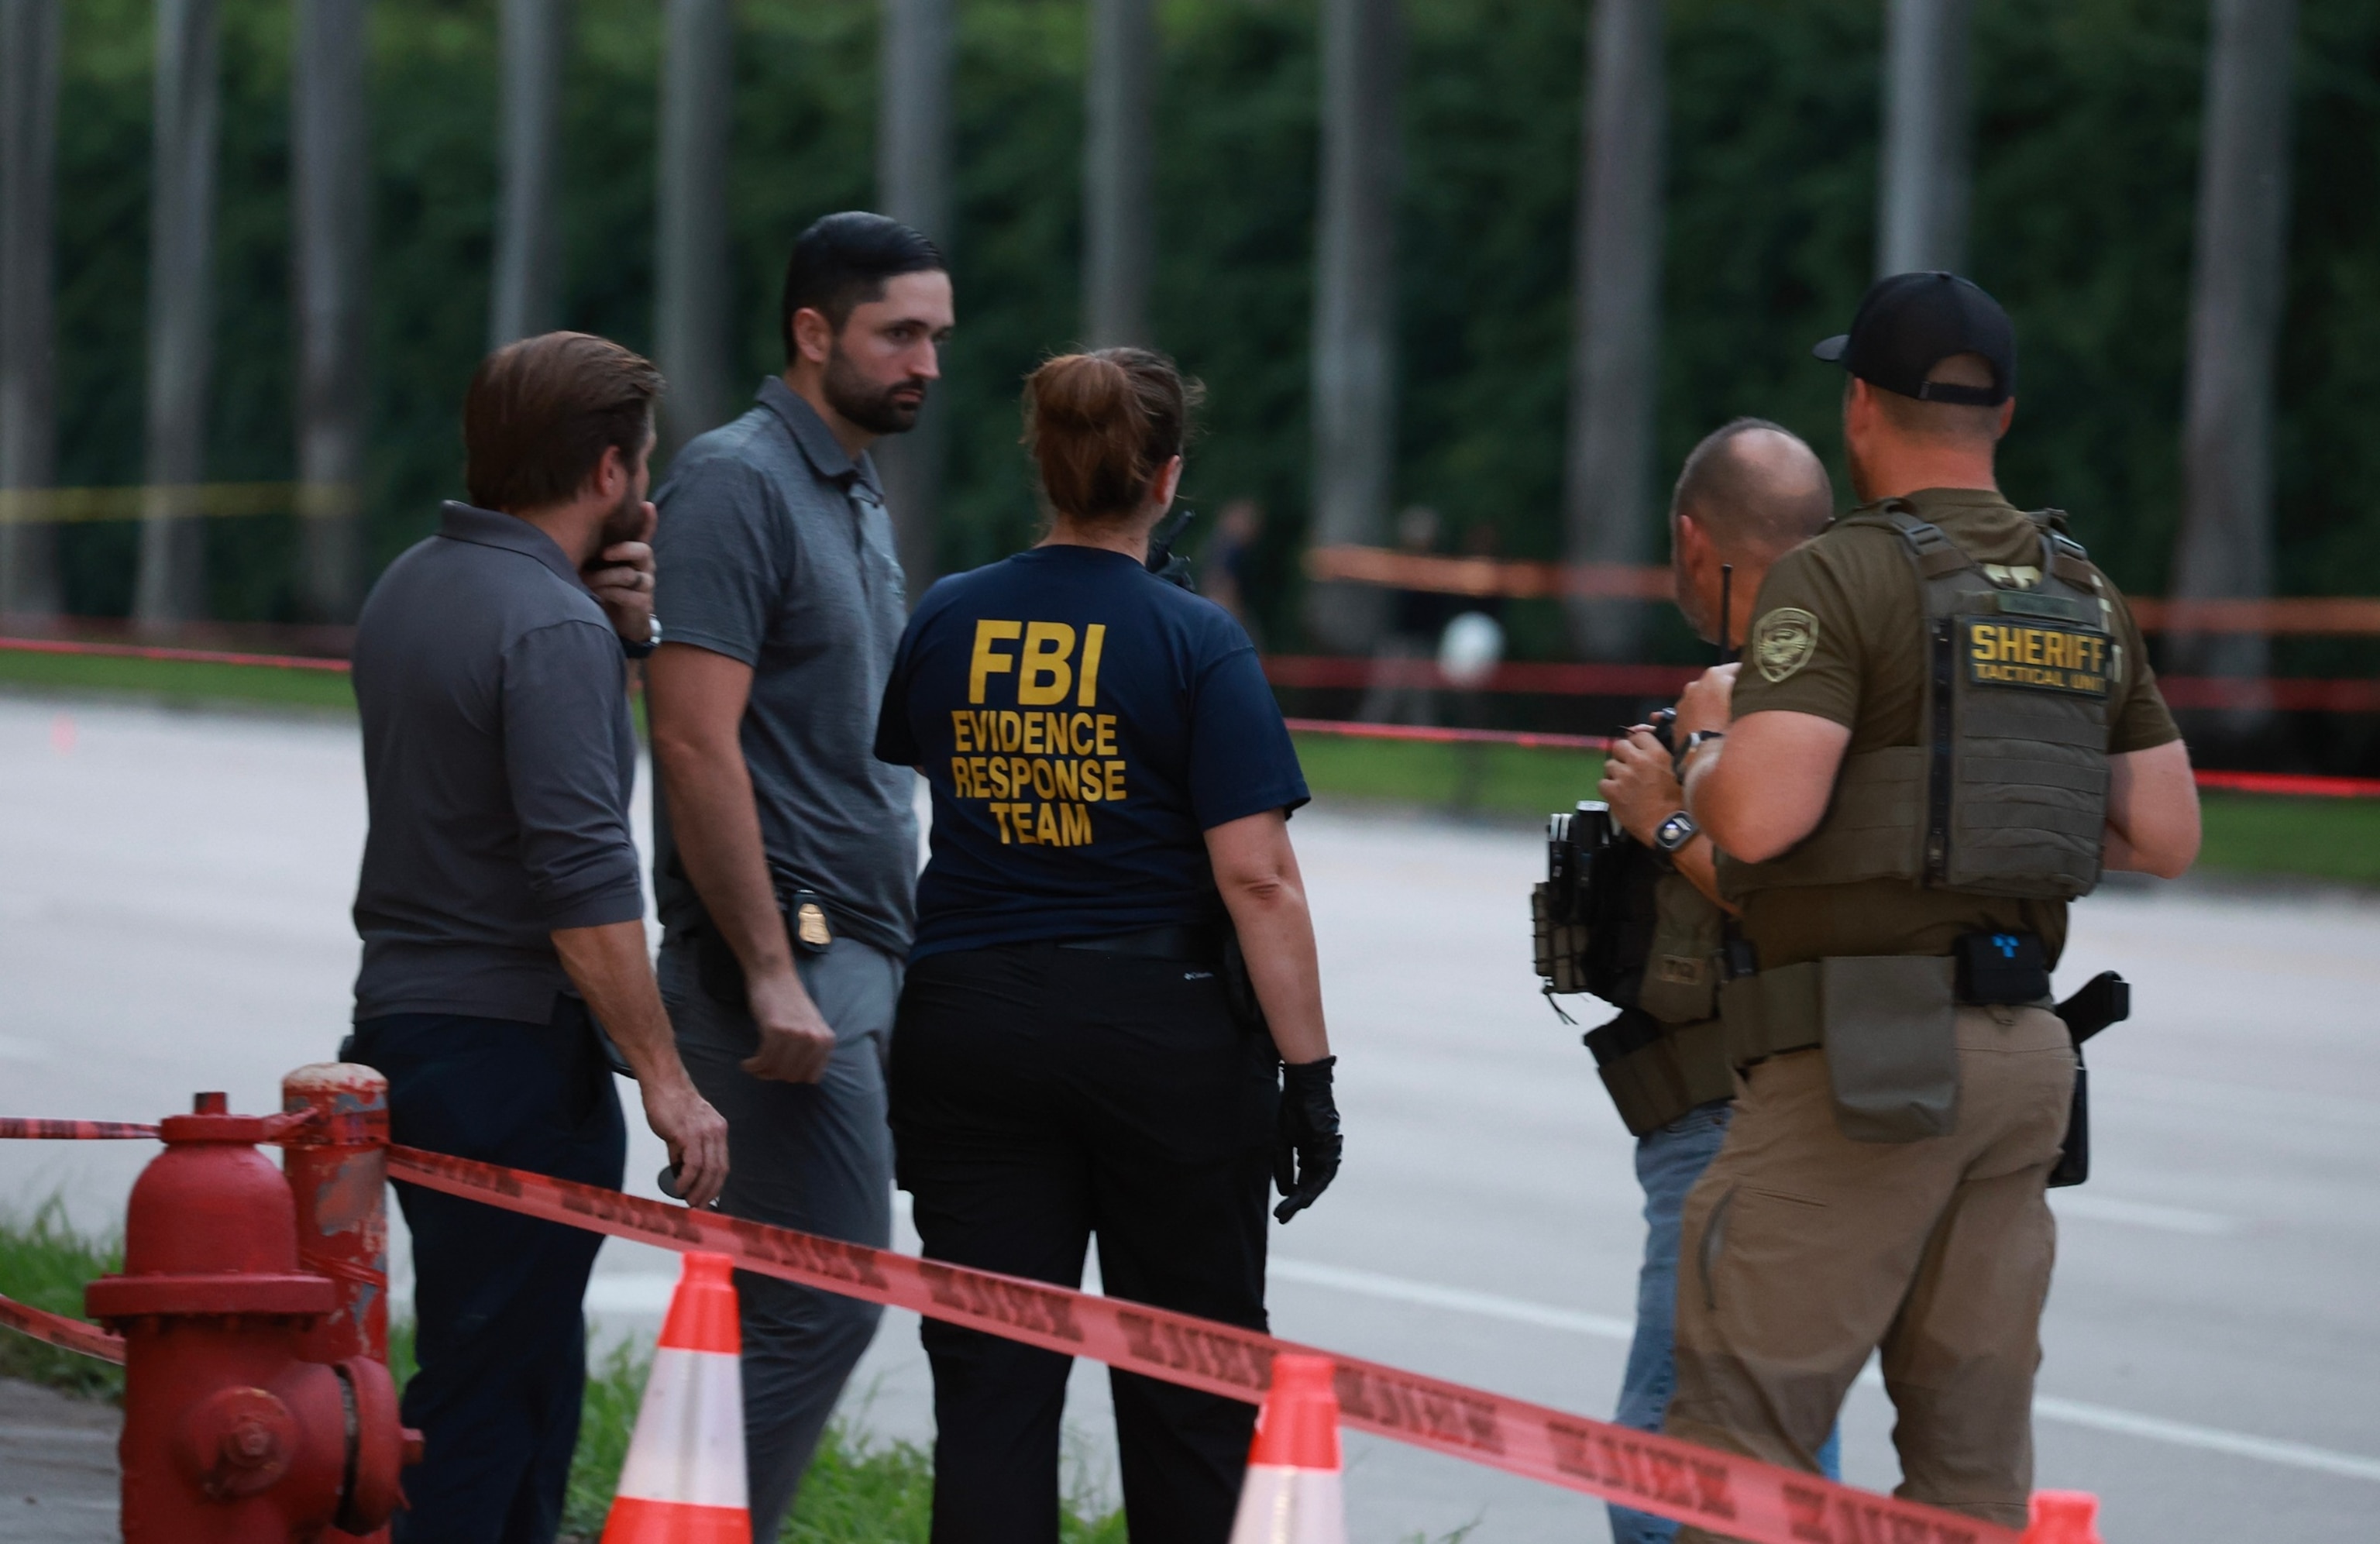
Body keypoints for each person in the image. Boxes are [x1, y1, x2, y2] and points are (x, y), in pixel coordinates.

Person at [1663, 272, 2201, 1535]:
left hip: (1862, 1063)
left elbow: (1761, 819)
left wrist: (1700, 752)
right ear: (2001, 414)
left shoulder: (1835, 579)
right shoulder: (2082, 587)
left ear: (1858, 406)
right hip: (2026, 1058)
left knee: (1740, 1453)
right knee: (1970, 1480)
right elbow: (2165, 833)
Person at [874, 349, 1342, 1544]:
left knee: (993, 1386)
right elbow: (1258, 876)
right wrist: (1309, 1075)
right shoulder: (1198, 641)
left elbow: (927, 776)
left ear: (1044, 463)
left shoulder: (948, 615)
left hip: (969, 1022)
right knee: (1190, 1384)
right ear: (1168, 478)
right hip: (1161, 1033)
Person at [346, 331, 729, 1544]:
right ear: (609, 471)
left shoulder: (413, 582)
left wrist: (607, 635)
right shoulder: (548, 628)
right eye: (645, 463)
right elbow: (581, 882)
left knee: (521, 1372)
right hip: (514, 1047)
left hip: (409, 1021)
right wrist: (669, 1082)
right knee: (489, 1399)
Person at [645, 211, 954, 1539]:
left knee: (770, 1296)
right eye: (900, 332)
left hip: (864, 955)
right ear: (812, 332)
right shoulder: (738, 481)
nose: (927, 362)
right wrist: (770, 969)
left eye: (938, 335)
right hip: (787, 965)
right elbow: (691, 738)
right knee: (823, 1295)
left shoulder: (848, 484)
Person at [1591, 418, 1838, 1544]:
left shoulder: (1767, 702)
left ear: (1695, 542)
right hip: (1830, 1096)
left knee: (1666, 1443)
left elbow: (1787, 891)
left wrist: (1667, 807)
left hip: (1738, 1105)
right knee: (1785, 1429)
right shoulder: (1862, 674)